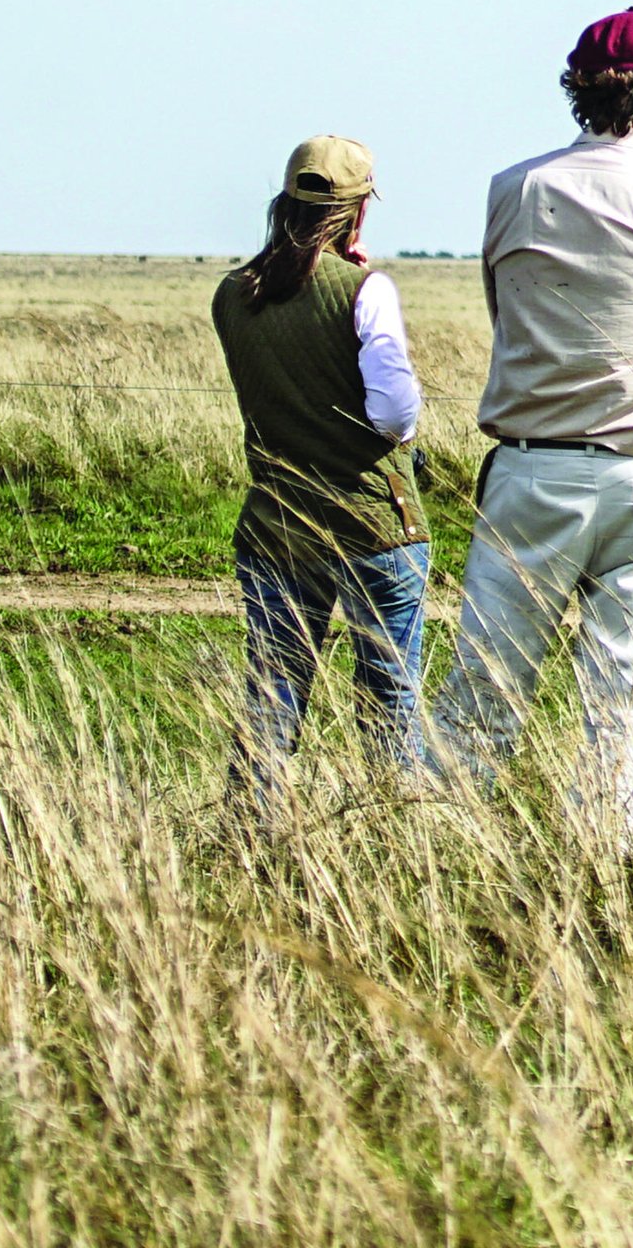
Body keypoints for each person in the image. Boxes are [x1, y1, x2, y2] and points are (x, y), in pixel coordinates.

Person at [427, 9, 633, 830]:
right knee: (625, 701)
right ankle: (600, 861)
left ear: (576, 91)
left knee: (484, 687)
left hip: (534, 464)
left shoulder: (516, 188)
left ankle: (436, 845)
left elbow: (507, 319)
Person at [210, 135, 431, 812]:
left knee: (273, 693)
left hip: (277, 523)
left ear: (284, 204)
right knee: (389, 699)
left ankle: (250, 831)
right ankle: (397, 830)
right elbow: (395, 414)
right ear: (358, 212)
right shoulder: (366, 291)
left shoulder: (233, 293)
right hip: (375, 525)